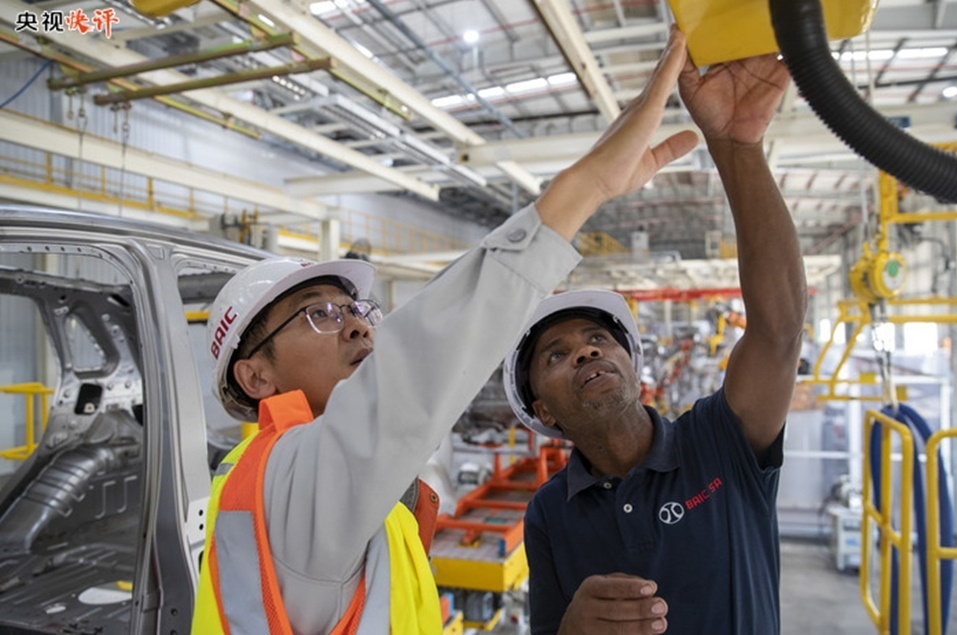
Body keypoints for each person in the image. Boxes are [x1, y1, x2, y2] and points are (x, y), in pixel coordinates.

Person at [190, 27, 701, 635]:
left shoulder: (334, 496)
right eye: (319, 313)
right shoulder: (291, 483)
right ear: (255, 376)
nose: (357, 327)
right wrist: (586, 187)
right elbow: (417, 364)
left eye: (357, 310)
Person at [501, 44, 806, 635]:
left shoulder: (720, 440)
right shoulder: (548, 514)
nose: (586, 350)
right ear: (542, 410)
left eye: (598, 337)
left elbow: (779, 331)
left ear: (632, 362)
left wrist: (738, 150)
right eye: (557, 355)